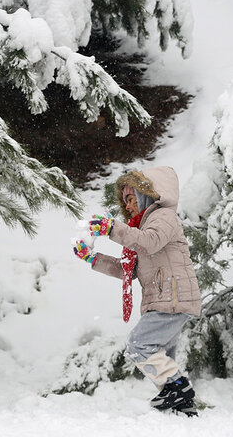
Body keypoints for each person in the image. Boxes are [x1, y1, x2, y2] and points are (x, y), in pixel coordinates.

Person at [73, 166, 202, 415]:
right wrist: (92, 258)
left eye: (130, 198)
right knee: (162, 356)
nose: (128, 206)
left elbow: (150, 242)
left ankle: (179, 388)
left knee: (138, 344)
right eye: (125, 201)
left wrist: (112, 229)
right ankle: (182, 407)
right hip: (164, 300)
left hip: (172, 299)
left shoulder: (163, 217)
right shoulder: (140, 229)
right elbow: (127, 272)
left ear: (146, 193)